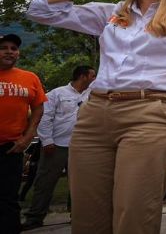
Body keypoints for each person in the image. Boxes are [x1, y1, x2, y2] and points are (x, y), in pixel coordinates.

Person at [26, 0, 166, 234]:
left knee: (134, 215)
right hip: (95, 115)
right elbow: (39, 10)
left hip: (150, 114)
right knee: (87, 217)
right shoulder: (111, 13)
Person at [20, 65, 96, 231]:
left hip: (83, 145)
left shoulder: (94, 95)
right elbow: (45, 117)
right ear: (82, 76)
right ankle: (35, 217)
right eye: (92, 76)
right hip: (57, 146)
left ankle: (77, 216)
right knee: (45, 181)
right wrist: (47, 140)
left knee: (80, 183)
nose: (94, 79)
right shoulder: (57, 94)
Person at [0, 33, 46, 234]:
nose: (9, 51)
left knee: (9, 197)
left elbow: (38, 107)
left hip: (11, 148)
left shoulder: (29, 78)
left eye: (13, 48)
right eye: (4, 48)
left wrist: (28, 136)